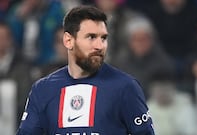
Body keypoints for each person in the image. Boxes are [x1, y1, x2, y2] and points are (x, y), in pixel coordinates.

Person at [16, 5, 155, 135]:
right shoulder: (43, 89)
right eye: (91, 37)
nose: (99, 46)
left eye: (103, 38)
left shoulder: (125, 87)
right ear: (68, 41)